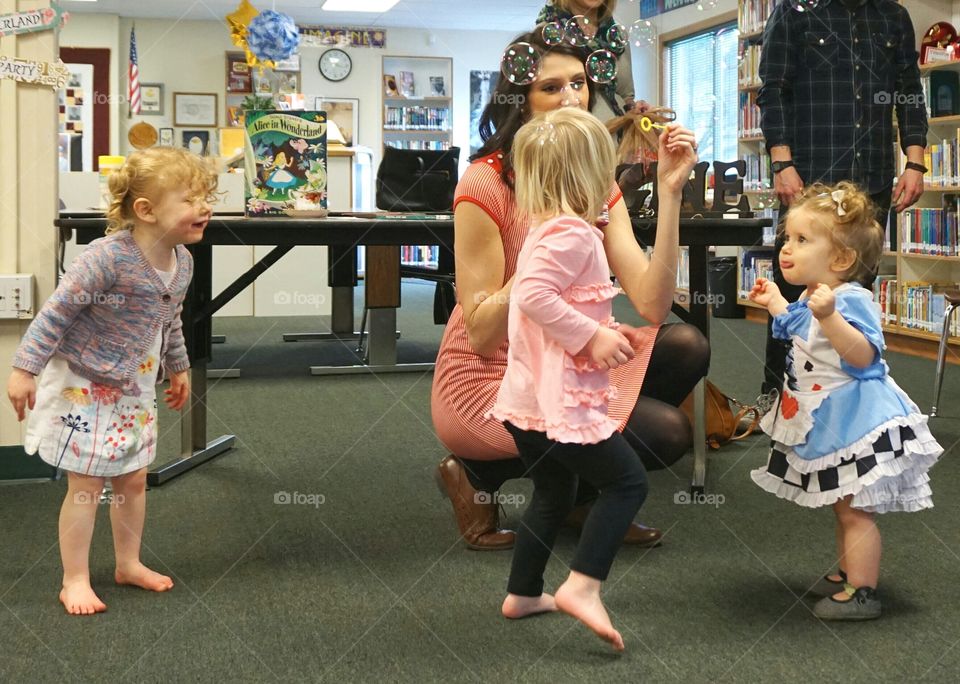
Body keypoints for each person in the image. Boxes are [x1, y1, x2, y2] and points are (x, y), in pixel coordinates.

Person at [432, 26, 707, 550]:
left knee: (686, 345)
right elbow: (485, 332)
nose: (571, 98)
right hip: (491, 376)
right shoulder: (483, 182)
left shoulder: (596, 183)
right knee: (666, 432)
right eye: (550, 87)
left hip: (568, 355)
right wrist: (546, 242)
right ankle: (474, 474)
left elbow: (650, 303)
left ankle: (578, 496)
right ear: (520, 101)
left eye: (578, 84)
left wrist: (671, 194)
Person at [493, 107, 695, 650]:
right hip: (559, 406)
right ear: (588, 176)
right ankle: (582, 585)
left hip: (527, 403)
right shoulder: (575, 234)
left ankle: (523, 591)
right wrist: (593, 337)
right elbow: (535, 299)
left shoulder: (544, 230)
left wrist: (601, 330)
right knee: (625, 483)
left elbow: (551, 300)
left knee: (553, 489)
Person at [6, 147, 215, 615]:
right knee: (85, 485)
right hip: (87, 385)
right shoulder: (106, 258)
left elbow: (171, 320)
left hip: (136, 387)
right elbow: (55, 314)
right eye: (190, 199)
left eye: (207, 197)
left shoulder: (182, 262)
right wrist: (24, 370)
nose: (205, 207)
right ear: (145, 210)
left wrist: (178, 367)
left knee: (134, 479)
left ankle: (128, 562)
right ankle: (74, 578)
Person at [748, 182, 942, 621]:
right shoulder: (813, 295)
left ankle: (863, 592)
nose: (786, 249)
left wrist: (830, 316)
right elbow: (802, 331)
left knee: (856, 511)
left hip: (856, 421)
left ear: (840, 259)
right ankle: (849, 573)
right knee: (843, 504)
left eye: (801, 240)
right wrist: (778, 302)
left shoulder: (850, 300)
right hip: (828, 414)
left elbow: (863, 356)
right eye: (787, 239)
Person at [757, 0, 928, 401]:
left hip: (871, 180)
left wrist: (915, 163)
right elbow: (773, 90)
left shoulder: (894, 16)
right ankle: (779, 392)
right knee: (793, 285)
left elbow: (909, 91)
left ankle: (855, 393)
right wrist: (781, 161)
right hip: (810, 180)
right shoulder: (793, 11)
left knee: (856, 293)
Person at [536, 0, 647, 122]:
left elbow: (626, 95)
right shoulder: (549, 32)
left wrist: (635, 108)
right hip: (574, 132)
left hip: (618, 134)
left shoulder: (617, 35)